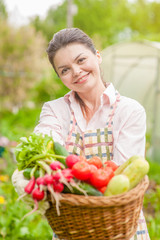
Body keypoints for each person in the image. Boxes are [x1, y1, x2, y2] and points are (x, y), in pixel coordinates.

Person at [12, 28, 150, 240]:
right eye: (65, 70)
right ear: (60, 77)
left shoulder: (129, 111)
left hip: (119, 225)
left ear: (97, 56)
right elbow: (46, 140)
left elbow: (122, 180)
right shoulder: (55, 110)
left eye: (81, 60)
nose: (76, 71)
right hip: (73, 226)